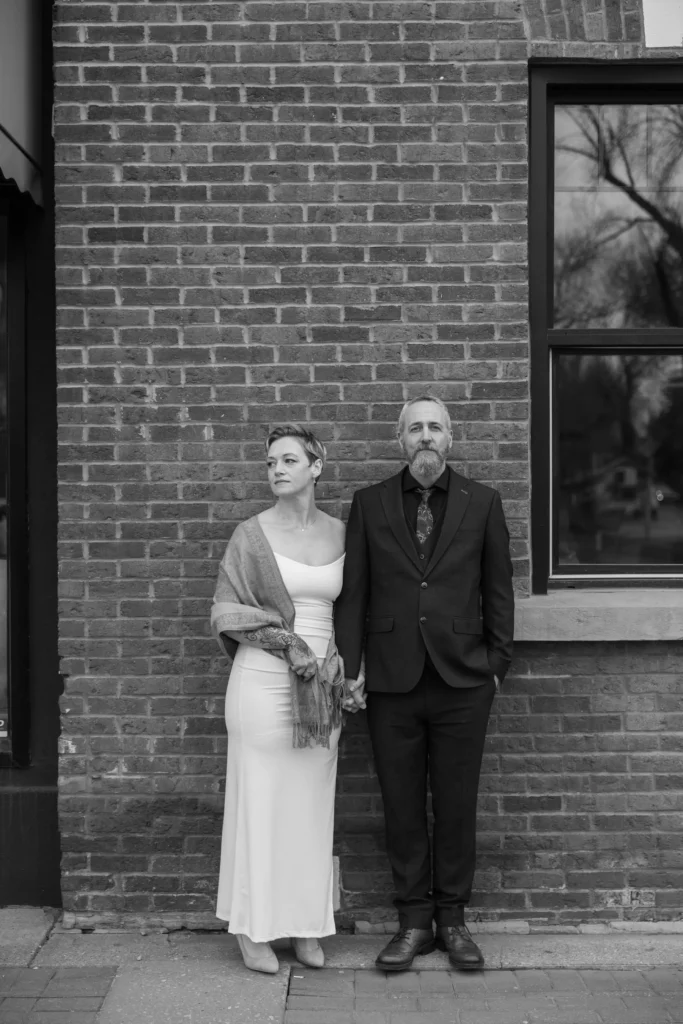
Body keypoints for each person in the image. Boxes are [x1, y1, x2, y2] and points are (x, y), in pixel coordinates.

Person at [335, 395, 514, 972]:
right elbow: (355, 593)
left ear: (451, 437)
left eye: (435, 427)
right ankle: (413, 922)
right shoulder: (369, 504)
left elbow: (499, 590)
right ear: (400, 439)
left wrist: (496, 665)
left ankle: (453, 921)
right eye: (416, 429)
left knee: (458, 805)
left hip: (464, 679)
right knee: (402, 804)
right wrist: (352, 666)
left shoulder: (482, 503)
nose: (426, 437)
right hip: (391, 679)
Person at [211, 424, 348, 974]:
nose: (277, 470)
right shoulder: (250, 535)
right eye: (270, 463)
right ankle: (253, 929)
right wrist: (288, 642)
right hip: (263, 684)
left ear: (316, 466)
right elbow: (227, 611)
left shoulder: (343, 532)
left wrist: (339, 659)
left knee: (311, 810)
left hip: (323, 689)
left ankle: (306, 927)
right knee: (260, 807)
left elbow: (353, 606)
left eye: (289, 460)